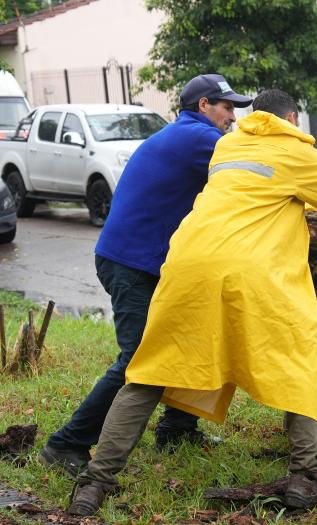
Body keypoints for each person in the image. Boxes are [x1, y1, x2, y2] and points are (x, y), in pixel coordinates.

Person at [66, 88, 317, 517]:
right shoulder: (293, 151)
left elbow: (270, 187)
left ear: (254, 116)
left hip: (187, 266)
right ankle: (307, 476)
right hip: (252, 275)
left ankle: (94, 484)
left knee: (149, 372)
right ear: (292, 119)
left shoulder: (228, 145)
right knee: (297, 362)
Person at [40, 74, 254, 476]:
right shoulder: (197, 138)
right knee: (138, 360)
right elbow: (258, 165)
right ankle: (66, 443)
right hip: (131, 265)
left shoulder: (187, 135)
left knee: (190, 340)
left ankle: (176, 428)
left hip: (151, 262)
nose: (233, 117)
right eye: (227, 107)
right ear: (204, 106)